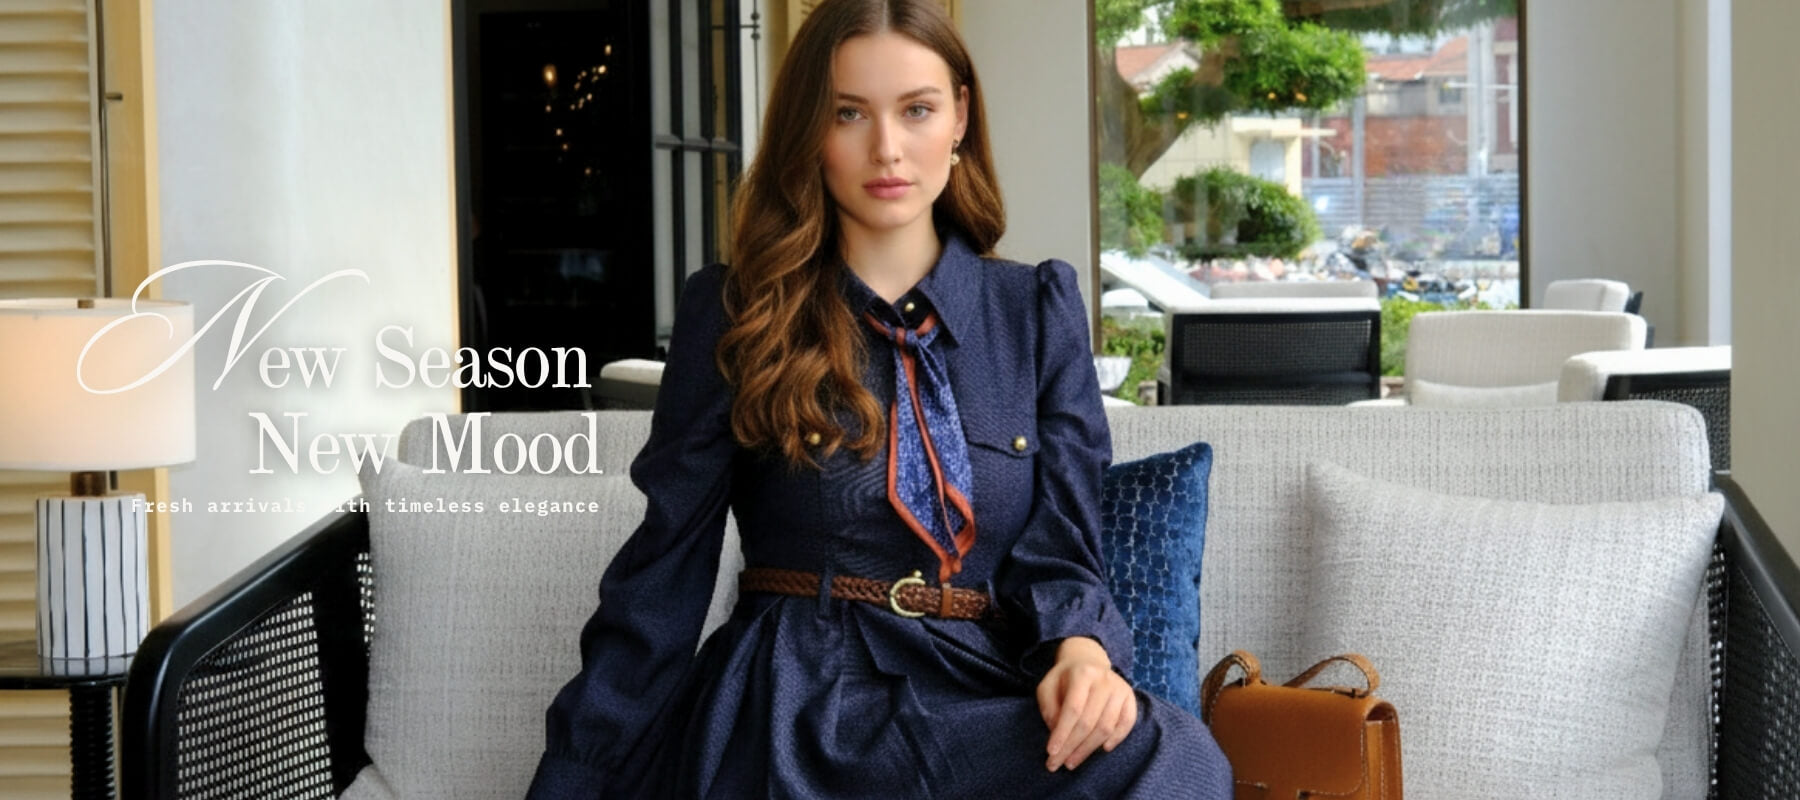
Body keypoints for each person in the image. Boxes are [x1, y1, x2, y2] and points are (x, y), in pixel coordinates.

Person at [525, 0, 1232, 796]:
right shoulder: (734, 311)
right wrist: (575, 777)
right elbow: (663, 572)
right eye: (849, 113)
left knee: (1176, 755)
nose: (887, 148)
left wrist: (1082, 653)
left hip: (977, 687)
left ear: (959, 116)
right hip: (796, 703)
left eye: (917, 110)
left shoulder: (1035, 310)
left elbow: (1064, 543)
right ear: (808, 131)